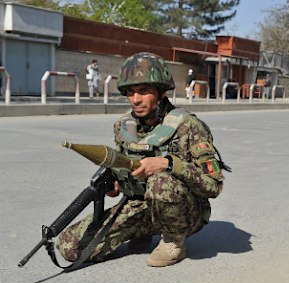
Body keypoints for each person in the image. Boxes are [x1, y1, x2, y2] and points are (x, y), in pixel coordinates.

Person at [57, 52, 228, 267]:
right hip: (141, 204)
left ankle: (174, 241)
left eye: (144, 91)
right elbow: (124, 167)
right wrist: (117, 185)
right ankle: (143, 229)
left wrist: (168, 164)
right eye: (130, 92)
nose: (136, 99)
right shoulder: (124, 126)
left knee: (160, 181)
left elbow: (214, 186)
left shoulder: (189, 127)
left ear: (162, 91)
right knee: (70, 246)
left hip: (185, 210)